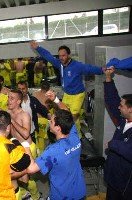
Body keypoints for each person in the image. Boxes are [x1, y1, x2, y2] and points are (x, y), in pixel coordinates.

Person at [30, 41, 103, 135]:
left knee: (72, 117)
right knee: (64, 116)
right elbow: (48, 56)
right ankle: (67, 133)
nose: (61, 58)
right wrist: (38, 48)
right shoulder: (59, 64)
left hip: (77, 95)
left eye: (63, 55)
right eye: (60, 55)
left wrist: (102, 70)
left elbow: (90, 68)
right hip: (67, 94)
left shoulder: (77, 66)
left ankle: (77, 136)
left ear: (68, 55)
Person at [27, 108, 86, 200]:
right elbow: (68, 114)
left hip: (62, 197)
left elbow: (31, 169)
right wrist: (56, 100)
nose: (49, 122)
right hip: (79, 192)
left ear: (58, 128)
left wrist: (26, 145)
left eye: (51, 121)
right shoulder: (74, 136)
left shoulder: (53, 151)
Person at [103, 67, 132, 199]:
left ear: (130, 109)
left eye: (122, 105)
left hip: (126, 185)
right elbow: (112, 100)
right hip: (113, 178)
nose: (119, 107)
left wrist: (113, 144)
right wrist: (108, 78)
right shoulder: (122, 121)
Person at [17, 81, 49, 154]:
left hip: (31, 133)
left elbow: (42, 109)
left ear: (27, 89)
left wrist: (50, 116)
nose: (21, 91)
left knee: (32, 153)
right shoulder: (15, 102)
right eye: (19, 89)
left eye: (23, 88)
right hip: (19, 135)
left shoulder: (33, 100)